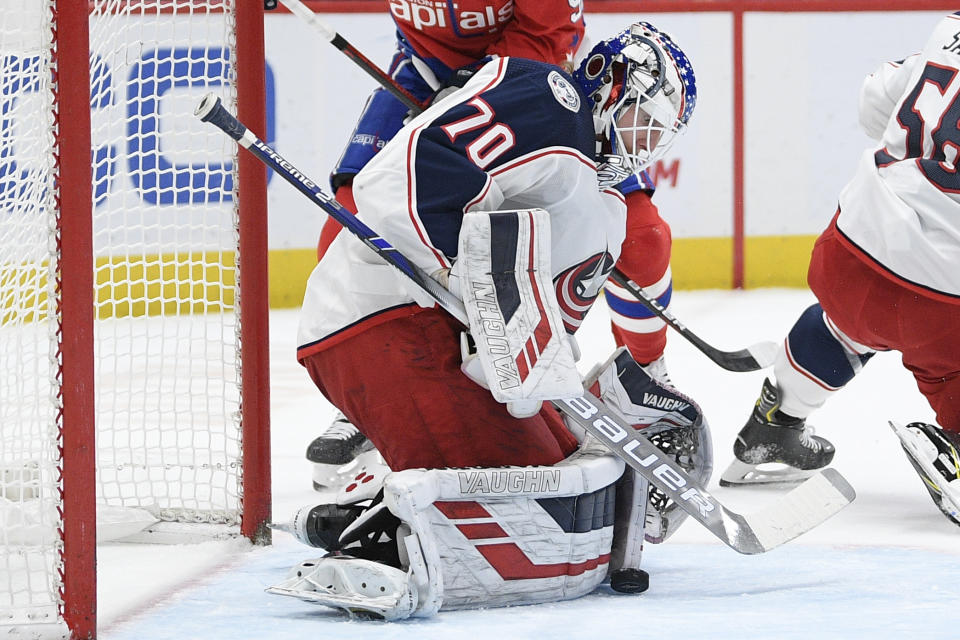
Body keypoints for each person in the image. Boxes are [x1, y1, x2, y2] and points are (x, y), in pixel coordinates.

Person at [270, 23, 707, 619]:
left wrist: (574, 387)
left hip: (434, 340)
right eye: (645, 121)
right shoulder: (552, 100)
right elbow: (416, 172)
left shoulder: (603, 210)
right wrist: (467, 282)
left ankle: (376, 504)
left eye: (659, 135)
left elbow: (534, 334)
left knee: (571, 478)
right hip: (384, 319)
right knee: (535, 510)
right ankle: (378, 535)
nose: (647, 144)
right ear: (610, 87)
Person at [309, 1, 683, 501]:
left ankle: (645, 372)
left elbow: (547, 24)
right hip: (424, 71)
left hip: (531, 79)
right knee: (348, 224)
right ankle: (373, 394)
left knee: (641, 236)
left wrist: (479, 82)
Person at [719, 13, 960, 528]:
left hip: (849, 253)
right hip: (944, 309)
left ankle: (775, 423)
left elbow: (875, 101)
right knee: (947, 358)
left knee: (845, 325)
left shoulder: (947, 31)